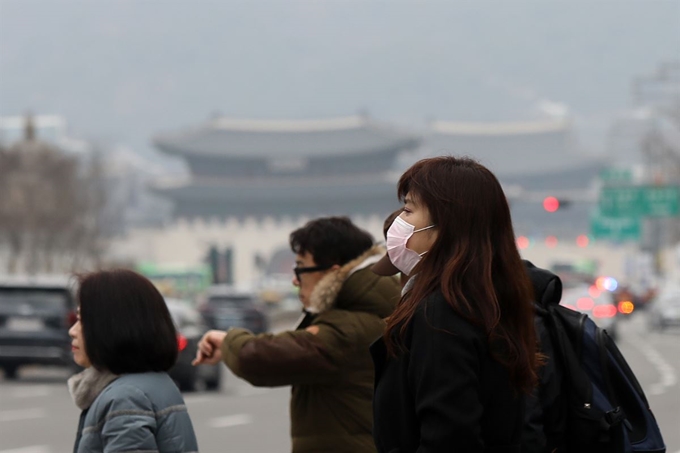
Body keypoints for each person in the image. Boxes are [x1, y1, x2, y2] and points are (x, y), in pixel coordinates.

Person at [370, 156, 540, 452]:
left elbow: (447, 436)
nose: (399, 221)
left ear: (446, 226)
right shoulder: (488, 301)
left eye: (409, 209)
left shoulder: (440, 315)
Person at [193, 216, 401, 453]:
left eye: (301, 268)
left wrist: (229, 340)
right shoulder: (372, 315)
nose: (294, 280)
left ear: (331, 272)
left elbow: (260, 358)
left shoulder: (348, 329)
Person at [68, 269, 198, 453]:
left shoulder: (126, 398)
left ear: (112, 327)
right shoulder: (152, 383)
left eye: (81, 320)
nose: (72, 331)